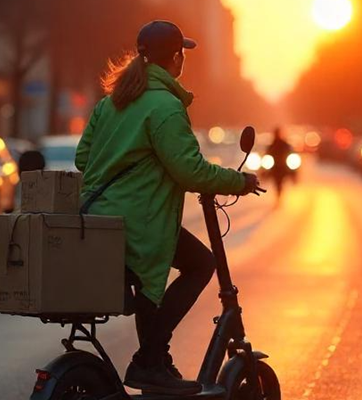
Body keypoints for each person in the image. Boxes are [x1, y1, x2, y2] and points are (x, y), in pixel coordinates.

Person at [74, 20, 260, 395]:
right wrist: (240, 181)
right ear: (176, 58)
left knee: (151, 280)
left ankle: (156, 360)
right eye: (182, 54)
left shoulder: (110, 103)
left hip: (99, 222)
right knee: (200, 264)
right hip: (141, 222)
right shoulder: (166, 106)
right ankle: (148, 361)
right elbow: (190, 171)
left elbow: (83, 159)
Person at [264, 127, 293, 201]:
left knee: (280, 180)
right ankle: (278, 194)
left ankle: (279, 193)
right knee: (277, 181)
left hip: (282, 166)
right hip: (276, 166)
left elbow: (290, 152)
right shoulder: (273, 144)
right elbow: (267, 154)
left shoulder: (281, 144)